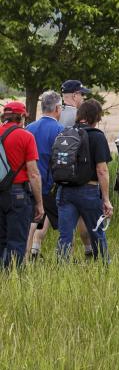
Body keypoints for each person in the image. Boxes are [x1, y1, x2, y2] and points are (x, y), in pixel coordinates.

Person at [55, 99, 113, 261]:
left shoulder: (66, 132)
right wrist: (106, 199)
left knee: (65, 235)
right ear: (95, 117)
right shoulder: (97, 136)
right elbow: (102, 170)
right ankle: (104, 267)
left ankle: (61, 269)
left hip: (65, 190)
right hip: (89, 191)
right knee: (97, 232)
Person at [0, 101, 43, 268]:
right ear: (22, 116)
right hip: (18, 194)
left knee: (1, 240)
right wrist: (39, 203)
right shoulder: (26, 136)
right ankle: (13, 277)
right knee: (17, 241)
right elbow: (33, 173)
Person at [25, 90, 65, 261]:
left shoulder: (28, 128)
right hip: (49, 186)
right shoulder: (60, 130)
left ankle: (25, 258)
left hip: (27, 184)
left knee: (31, 223)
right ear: (57, 108)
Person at [60, 78, 94, 257]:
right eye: (81, 94)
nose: (83, 97)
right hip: (76, 173)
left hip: (58, 171)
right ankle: (87, 250)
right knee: (78, 214)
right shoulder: (77, 116)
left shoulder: (56, 113)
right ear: (74, 95)